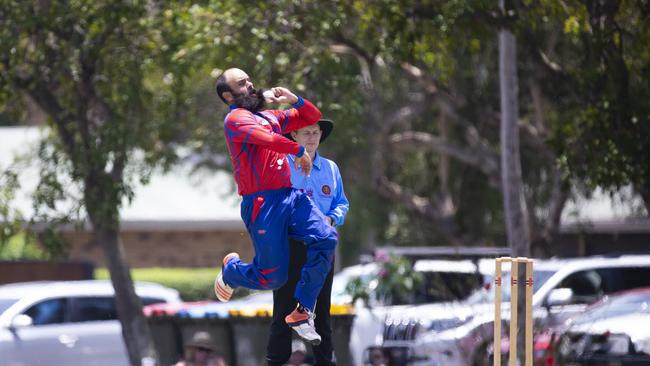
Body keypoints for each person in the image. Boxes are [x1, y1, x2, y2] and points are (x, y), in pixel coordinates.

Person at [213, 68, 338, 344]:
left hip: (289, 196)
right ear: (228, 94)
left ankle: (303, 310)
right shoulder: (235, 119)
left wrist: (295, 100)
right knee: (273, 278)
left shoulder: (269, 115)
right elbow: (267, 139)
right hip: (262, 203)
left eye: (249, 80)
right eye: (242, 83)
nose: (250, 84)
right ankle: (232, 270)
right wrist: (298, 150)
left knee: (326, 239)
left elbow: (311, 118)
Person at [267, 119, 349, 366]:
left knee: (321, 311)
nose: (312, 137)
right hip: (291, 244)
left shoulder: (330, 168)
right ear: (294, 135)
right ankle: (276, 362)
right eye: (306, 133)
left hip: (321, 246)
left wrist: (332, 218)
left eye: (315, 132)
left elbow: (341, 202)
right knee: (283, 308)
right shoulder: (281, 164)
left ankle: (326, 362)